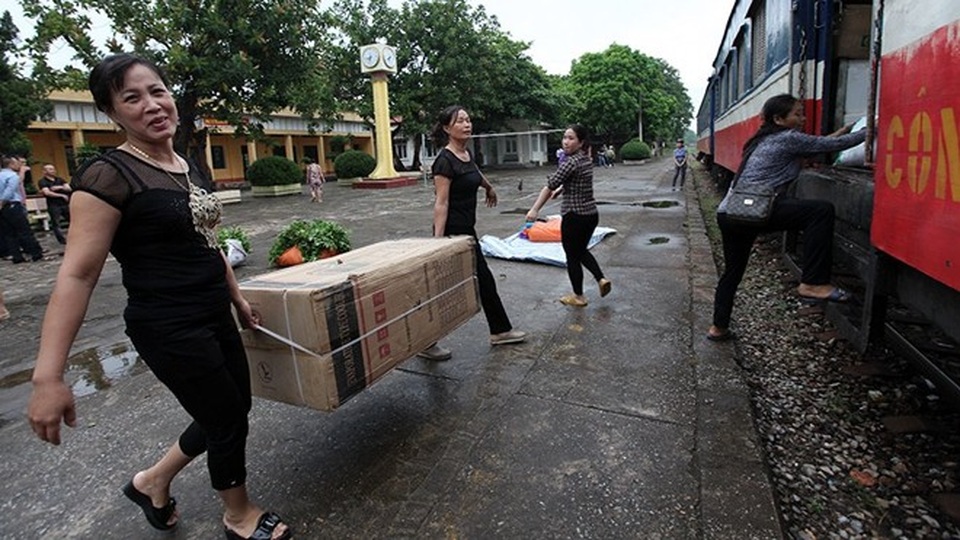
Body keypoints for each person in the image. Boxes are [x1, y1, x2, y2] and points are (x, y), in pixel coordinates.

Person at [26, 53, 291, 540]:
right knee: (226, 419)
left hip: (213, 311)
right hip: (167, 325)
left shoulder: (186, 166)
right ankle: (238, 515)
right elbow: (78, 276)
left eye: (157, 91)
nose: (151, 105)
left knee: (233, 407)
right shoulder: (108, 176)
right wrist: (48, 376)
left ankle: (151, 482)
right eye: (132, 98)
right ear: (112, 112)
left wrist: (236, 298)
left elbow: (207, 242)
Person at [707, 93, 866, 342]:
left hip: (729, 212)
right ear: (779, 119)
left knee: (732, 273)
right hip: (756, 211)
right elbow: (831, 146)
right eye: (797, 114)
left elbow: (818, 143)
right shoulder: (788, 138)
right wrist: (870, 130)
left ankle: (718, 328)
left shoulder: (761, 140)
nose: (803, 119)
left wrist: (842, 130)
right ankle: (813, 282)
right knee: (820, 211)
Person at [417, 105, 526, 361]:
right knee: (444, 287)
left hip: (467, 231)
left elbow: (474, 173)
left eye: (468, 120)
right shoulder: (444, 161)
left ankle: (500, 331)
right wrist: (437, 243)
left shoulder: (466, 154)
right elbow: (441, 202)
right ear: (447, 128)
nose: (467, 124)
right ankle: (426, 342)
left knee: (484, 281)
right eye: (460, 121)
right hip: (451, 233)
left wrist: (489, 187)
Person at [526, 124, 611, 307]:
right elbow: (577, 181)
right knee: (580, 251)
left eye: (571, 138)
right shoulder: (586, 160)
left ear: (580, 142)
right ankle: (601, 279)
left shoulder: (570, 162)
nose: (566, 142)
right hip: (590, 215)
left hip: (574, 217)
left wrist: (535, 209)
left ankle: (579, 296)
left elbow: (549, 186)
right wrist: (561, 190)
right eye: (564, 137)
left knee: (572, 256)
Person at [0, 156, 45, 264]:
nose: (19, 165)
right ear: (11, 164)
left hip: (4, 209)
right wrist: (2, 202)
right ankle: (36, 254)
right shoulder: (12, 176)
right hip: (12, 204)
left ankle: (17, 256)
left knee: (9, 233)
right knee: (24, 231)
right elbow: (10, 191)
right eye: (17, 163)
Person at [38, 163, 72, 244]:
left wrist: (59, 187)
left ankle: (75, 236)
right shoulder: (42, 181)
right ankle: (62, 240)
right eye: (50, 169)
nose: (53, 171)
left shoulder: (60, 179)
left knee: (72, 220)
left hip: (65, 204)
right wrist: (61, 195)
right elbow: (47, 192)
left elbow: (69, 188)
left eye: (53, 169)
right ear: (44, 171)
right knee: (56, 223)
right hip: (54, 205)